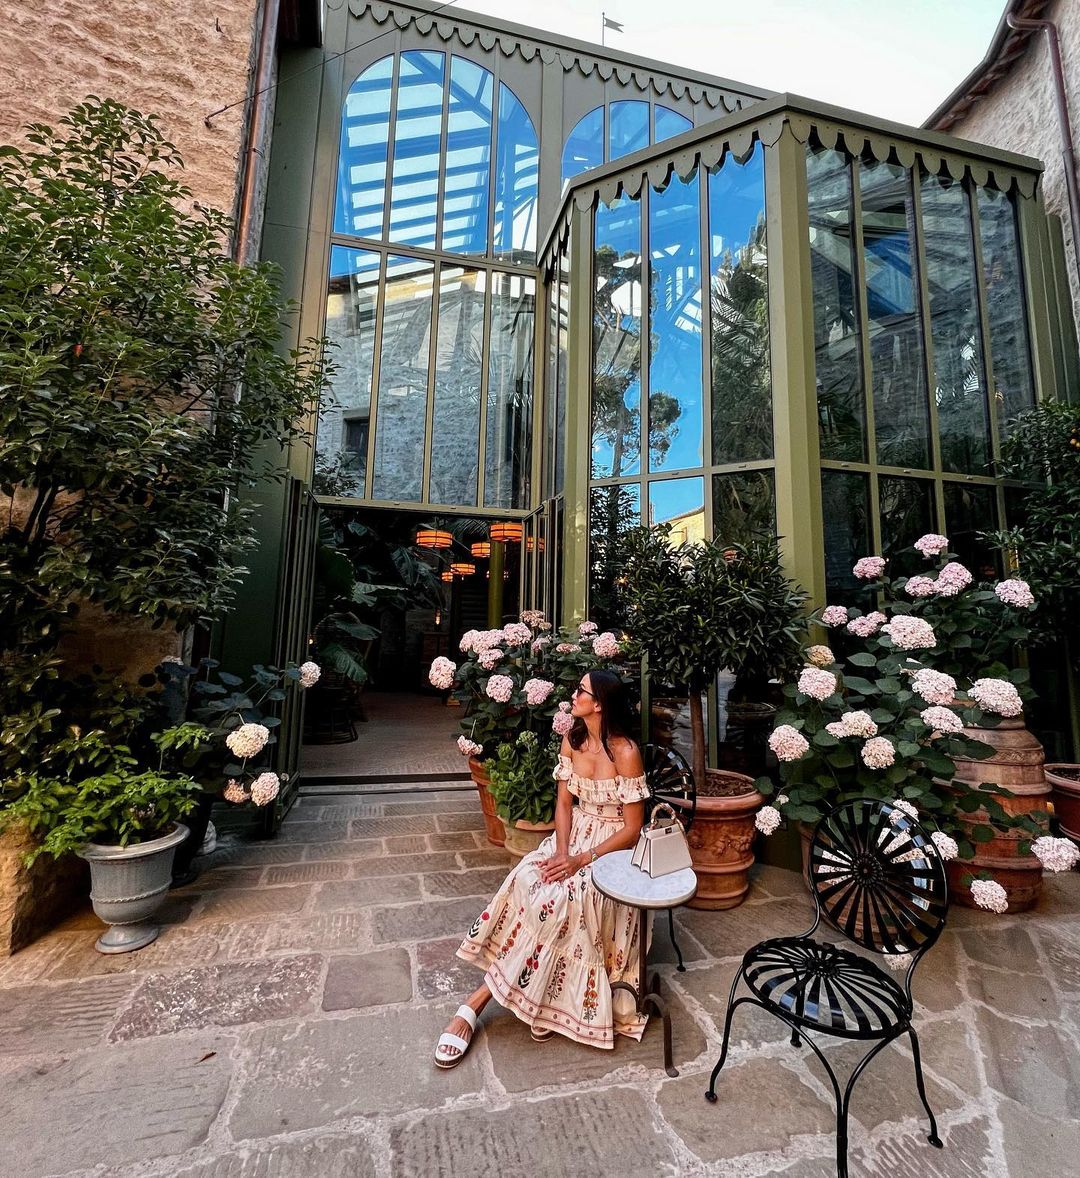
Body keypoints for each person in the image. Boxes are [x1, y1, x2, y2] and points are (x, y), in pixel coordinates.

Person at [434, 667, 650, 1068]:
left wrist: (581, 860)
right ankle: (541, 998)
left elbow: (633, 828)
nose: (574, 696)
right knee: (528, 877)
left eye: (581, 691)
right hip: (573, 836)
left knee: (565, 899)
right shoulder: (573, 739)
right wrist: (562, 852)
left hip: (611, 848)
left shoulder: (625, 752)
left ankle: (475, 1003)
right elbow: (564, 803)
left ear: (599, 704)